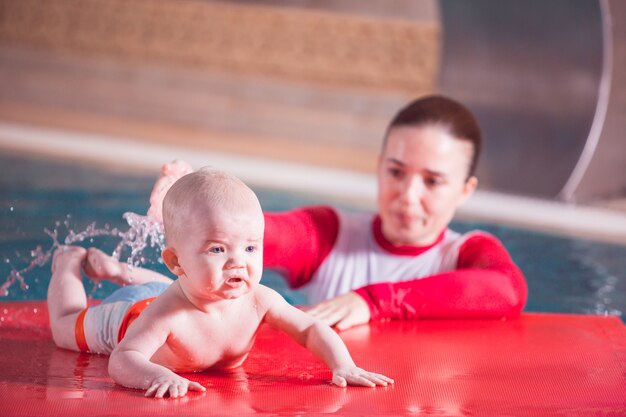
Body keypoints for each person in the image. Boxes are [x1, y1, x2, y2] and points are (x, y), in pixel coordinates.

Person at [86, 94, 528, 331]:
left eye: (432, 181)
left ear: (466, 190)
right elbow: (257, 232)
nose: (408, 195)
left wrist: (374, 302)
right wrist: (191, 211)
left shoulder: (468, 253)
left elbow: (508, 291)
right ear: (379, 167)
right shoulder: (330, 233)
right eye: (396, 172)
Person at [47, 168, 393, 398]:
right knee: (65, 327)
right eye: (217, 248)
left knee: (177, 285)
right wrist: (156, 376)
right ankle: (67, 265)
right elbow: (123, 358)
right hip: (128, 317)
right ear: (176, 261)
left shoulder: (259, 299)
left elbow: (310, 329)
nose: (238, 261)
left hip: (176, 287)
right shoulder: (168, 315)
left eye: (250, 247)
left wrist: (342, 364)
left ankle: (120, 270)